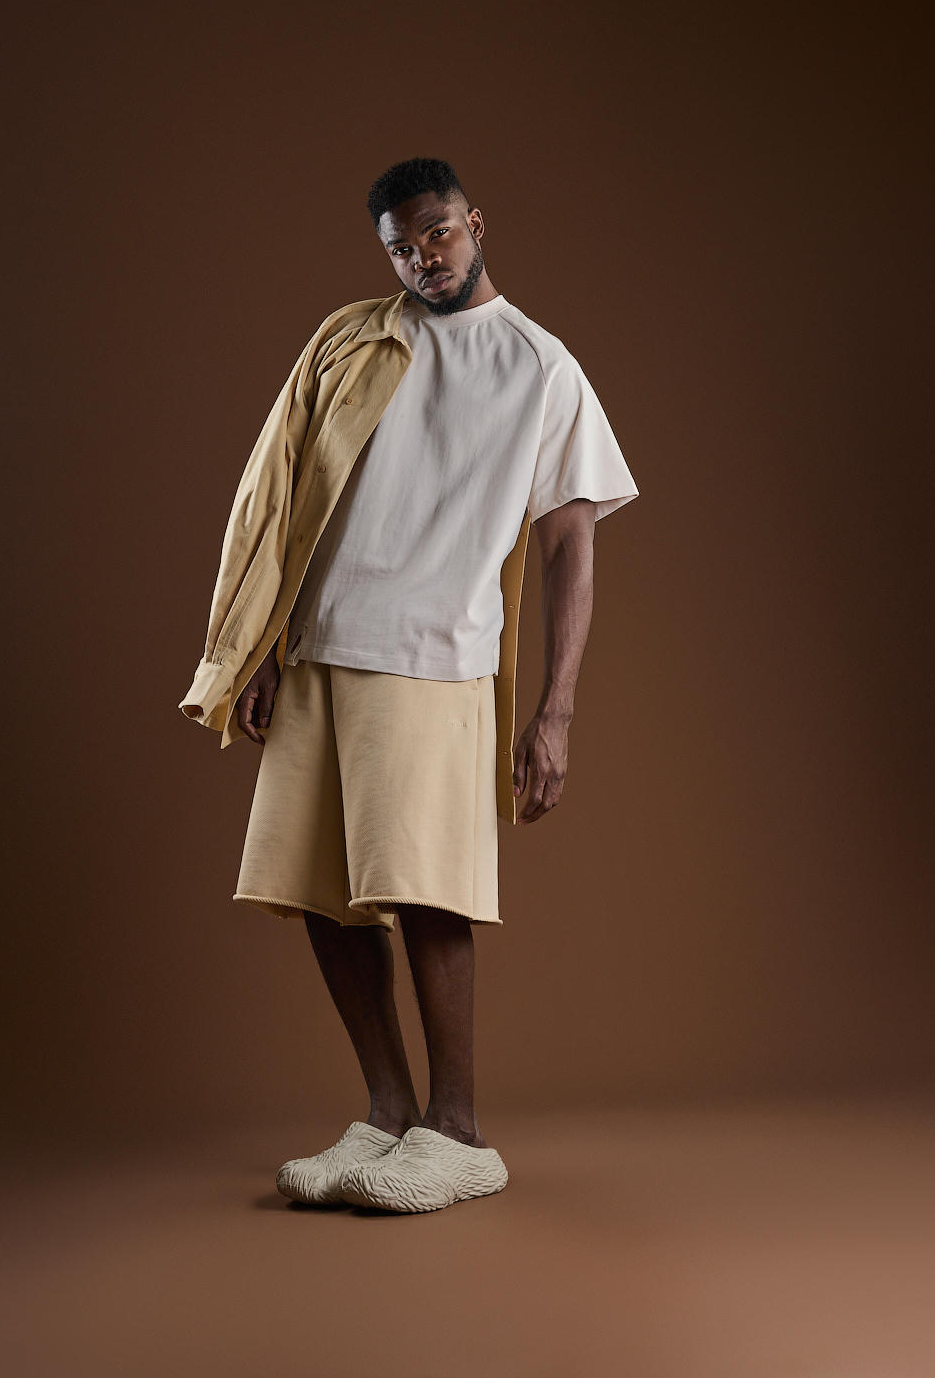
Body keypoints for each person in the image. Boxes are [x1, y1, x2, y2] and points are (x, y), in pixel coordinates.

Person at [178, 156, 638, 1214]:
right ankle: (389, 1115)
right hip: (320, 647)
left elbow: (570, 545)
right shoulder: (351, 341)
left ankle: (459, 1131)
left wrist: (556, 711)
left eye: (437, 232)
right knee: (319, 893)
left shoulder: (540, 367)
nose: (422, 257)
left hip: (435, 654)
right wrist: (260, 644)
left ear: (474, 222)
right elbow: (277, 494)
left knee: (427, 892)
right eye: (400, 245)